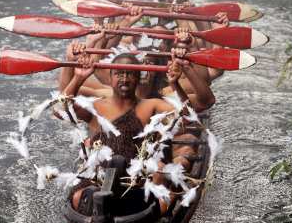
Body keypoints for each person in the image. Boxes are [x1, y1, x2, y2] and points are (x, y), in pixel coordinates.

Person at [57, 51, 192, 214]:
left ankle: (156, 216)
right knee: (79, 196)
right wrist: (79, 77)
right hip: (99, 179)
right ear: (109, 78)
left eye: (131, 74)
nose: (125, 78)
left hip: (138, 180)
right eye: (119, 73)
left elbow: (188, 118)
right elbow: (59, 110)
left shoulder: (152, 105)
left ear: (138, 78)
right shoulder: (95, 106)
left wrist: (175, 83)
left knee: (161, 172)